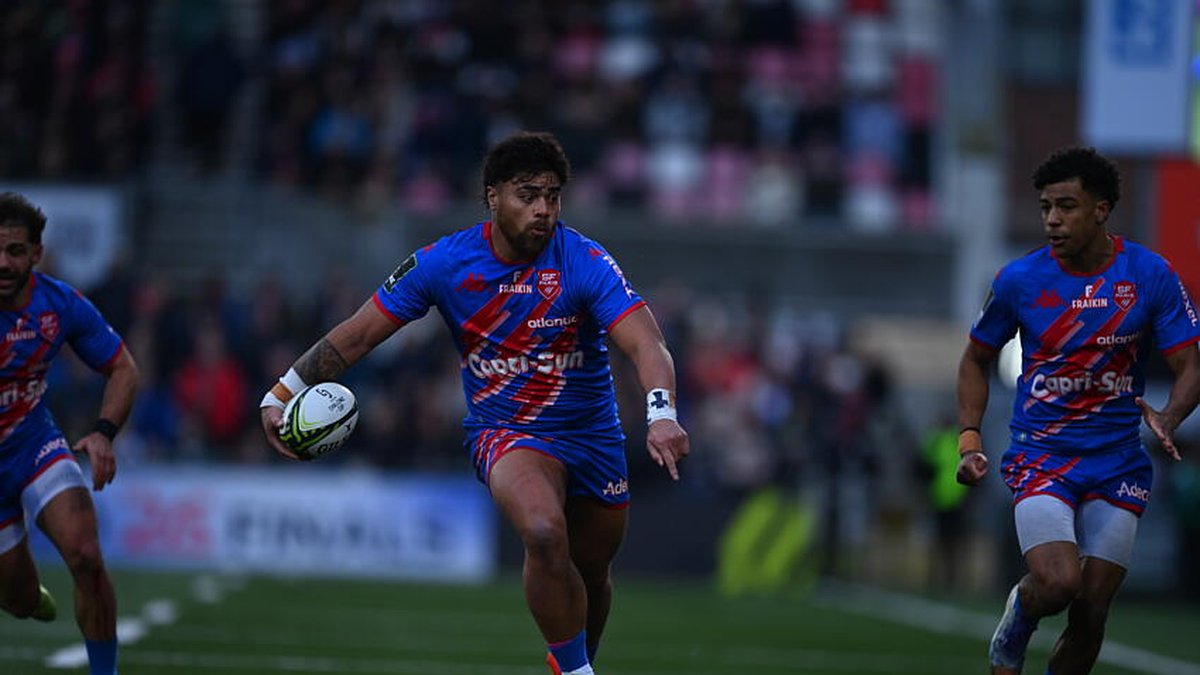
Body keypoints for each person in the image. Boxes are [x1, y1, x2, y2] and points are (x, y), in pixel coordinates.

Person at [260, 131, 690, 675]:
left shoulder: (584, 260)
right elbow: (359, 335)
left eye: (552, 196)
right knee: (541, 530)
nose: (543, 209)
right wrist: (279, 395)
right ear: (492, 196)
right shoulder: (442, 263)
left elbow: (645, 343)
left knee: (592, 571)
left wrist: (661, 414)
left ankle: (572, 664)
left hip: (593, 436)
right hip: (506, 432)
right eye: (527, 194)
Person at [955, 146, 1200, 675]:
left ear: (1101, 209)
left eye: (1065, 206)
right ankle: (1020, 614)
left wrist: (1169, 416)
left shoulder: (1150, 274)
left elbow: (1191, 367)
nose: (1051, 220)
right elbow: (975, 360)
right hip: (1043, 456)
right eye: (1045, 207)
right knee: (1059, 582)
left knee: (1091, 611)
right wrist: (970, 438)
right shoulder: (1020, 280)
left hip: (1117, 461)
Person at [0, 193, 140, 675]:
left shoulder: (59, 304)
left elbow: (123, 367)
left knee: (85, 554)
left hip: (31, 443)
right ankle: (25, 595)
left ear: (36, 254)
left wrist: (103, 432)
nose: (3, 262)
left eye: (15, 251)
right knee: (17, 601)